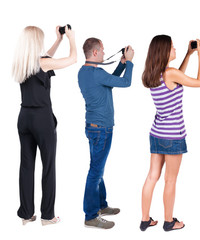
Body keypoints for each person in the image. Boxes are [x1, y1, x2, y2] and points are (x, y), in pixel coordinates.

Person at [13, 25, 76, 226]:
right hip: (42, 119)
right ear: (35, 43)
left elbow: (46, 58)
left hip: (24, 118)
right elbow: (73, 59)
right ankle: (48, 216)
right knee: (48, 166)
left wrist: (58, 40)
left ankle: (26, 213)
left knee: (26, 166)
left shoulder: (22, 63)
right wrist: (71, 38)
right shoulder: (42, 63)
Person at [140, 35, 200, 231]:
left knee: (152, 176)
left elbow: (178, 76)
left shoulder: (155, 73)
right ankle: (169, 221)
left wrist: (188, 54)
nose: (175, 48)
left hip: (157, 133)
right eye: (172, 47)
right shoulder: (170, 73)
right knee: (170, 179)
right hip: (173, 136)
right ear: (164, 51)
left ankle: (145, 219)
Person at [78, 37, 134, 229]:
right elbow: (125, 83)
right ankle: (91, 215)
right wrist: (131, 62)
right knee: (95, 172)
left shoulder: (85, 72)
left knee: (97, 169)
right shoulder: (97, 73)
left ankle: (101, 205)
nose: (103, 53)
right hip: (102, 130)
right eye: (102, 50)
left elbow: (109, 82)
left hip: (94, 128)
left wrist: (121, 64)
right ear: (94, 52)